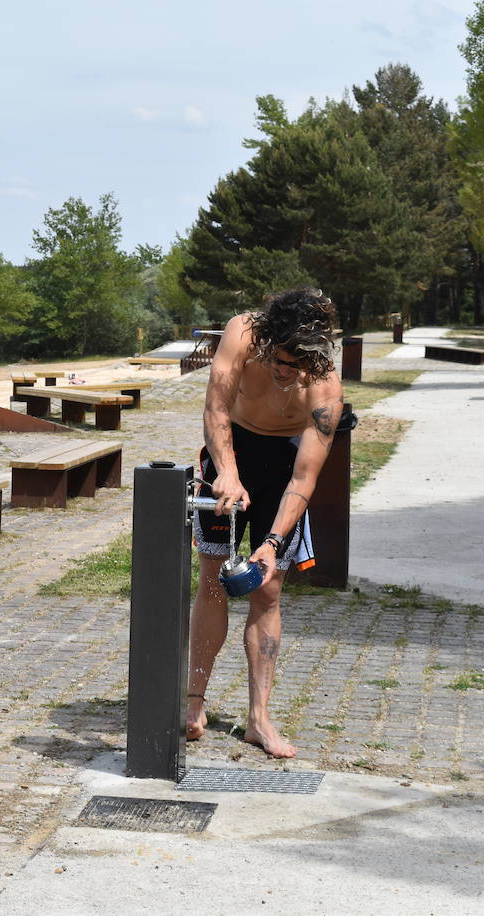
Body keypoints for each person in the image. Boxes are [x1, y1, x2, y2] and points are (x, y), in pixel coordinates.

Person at [187, 288, 344, 758]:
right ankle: (193, 702)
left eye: (295, 365)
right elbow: (216, 408)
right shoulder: (243, 332)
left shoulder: (326, 390)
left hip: (283, 463)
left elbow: (305, 476)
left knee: (268, 587)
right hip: (230, 447)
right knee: (213, 579)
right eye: (278, 358)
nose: (283, 370)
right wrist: (229, 474)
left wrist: (273, 541)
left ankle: (259, 719)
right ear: (267, 340)